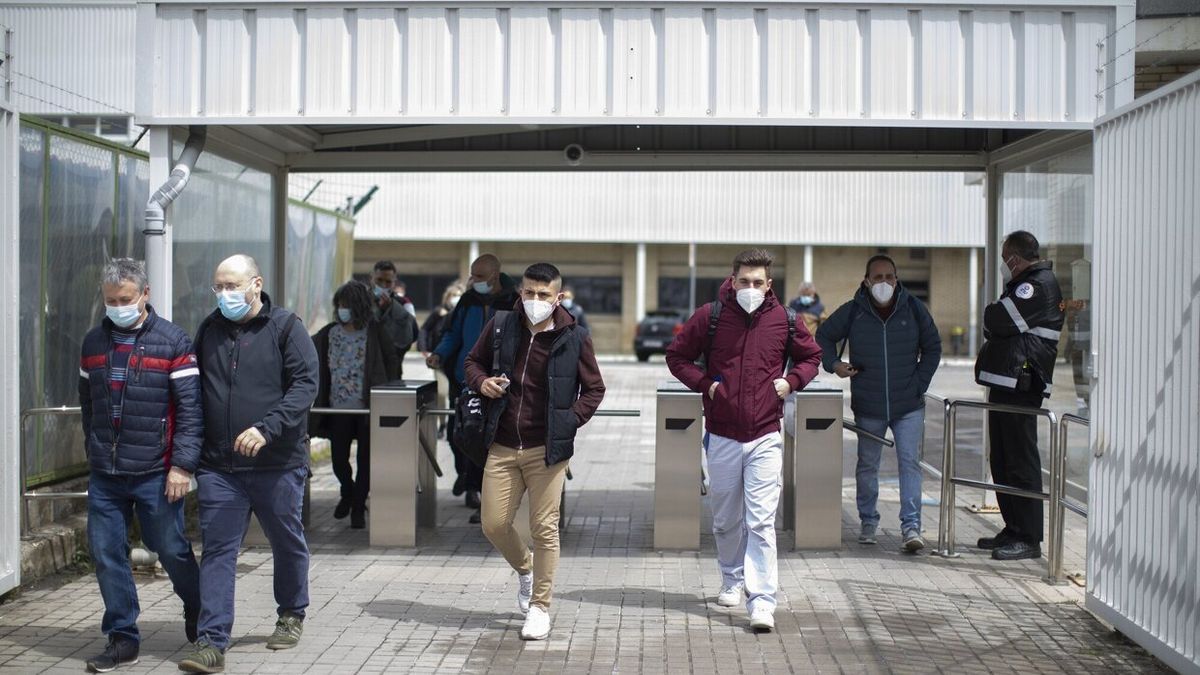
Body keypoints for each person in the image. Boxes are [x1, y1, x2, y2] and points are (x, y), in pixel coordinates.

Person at [665, 249, 822, 632]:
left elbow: (811, 357)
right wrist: (707, 385)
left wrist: (791, 381)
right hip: (721, 434)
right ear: (732, 281)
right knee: (724, 520)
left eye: (758, 283)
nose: (750, 288)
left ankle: (763, 601)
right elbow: (677, 356)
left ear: (769, 285)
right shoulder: (711, 316)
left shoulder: (785, 320)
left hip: (766, 434)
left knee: (761, 521)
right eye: (744, 282)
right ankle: (731, 577)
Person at [179, 255, 319, 673]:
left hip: (277, 462)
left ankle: (291, 613)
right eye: (218, 287)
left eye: (232, 286)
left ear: (255, 284)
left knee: (286, 540)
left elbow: (305, 386)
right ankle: (211, 641)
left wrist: (267, 428)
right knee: (219, 550)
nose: (224, 295)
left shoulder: (287, 328)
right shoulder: (209, 329)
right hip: (220, 466)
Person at [464, 263, 606, 641]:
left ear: (558, 297)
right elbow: (471, 363)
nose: (535, 301)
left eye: (544, 295)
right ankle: (525, 569)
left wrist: (568, 421)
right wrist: (483, 383)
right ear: (520, 293)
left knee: (545, 529)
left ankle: (540, 606)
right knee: (493, 524)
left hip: (547, 449)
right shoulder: (501, 326)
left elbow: (594, 389)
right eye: (529, 293)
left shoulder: (575, 337)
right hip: (503, 443)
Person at [78, 258, 203, 673]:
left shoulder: (173, 342)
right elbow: (88, 404)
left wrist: (182, 467)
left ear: (145, 294)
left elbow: (189, 410)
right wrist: (92, 447)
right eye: (110, 300)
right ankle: (122, 636)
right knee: (106, 552)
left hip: (156, 470)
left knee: (169, 547)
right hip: (106, 473)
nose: (117, 306)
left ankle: (199, 610)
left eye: (126, 299)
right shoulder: (93, 343)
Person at [815, 255, 942, 551]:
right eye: (878, 277)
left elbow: (933, 347)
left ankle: (911, 528)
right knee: (867, 464)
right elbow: (823, 336)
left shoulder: (913, 309)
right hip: (869, 404)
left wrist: (919, 384)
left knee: (909, 464)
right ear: (866, 281)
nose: (884, 282)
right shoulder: (854, 311)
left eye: (889, 277)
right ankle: (868, 522)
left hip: (908, 405)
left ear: (896, 280)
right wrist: (834, 364)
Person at [974, 230, 1064, 561]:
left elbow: (997, 318)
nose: (1003, 266)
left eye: (1003, 259)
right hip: (1007, 383)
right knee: (1002, 458)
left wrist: (993, 314)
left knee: (1020, 461)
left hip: (1022, 385)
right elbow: (997, 325)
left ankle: (1029, 537)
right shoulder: (1023, 285)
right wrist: (996, 321)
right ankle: (1013, 528)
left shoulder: (1036, 285)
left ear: (1013, 257)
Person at [427, 254, 520, 522]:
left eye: (479, 276)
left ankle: (483, 497)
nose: (473, 281)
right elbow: (453, 334)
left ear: (495, 275)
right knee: (462, 436)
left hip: (499, 383)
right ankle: (467, 478)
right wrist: (440, 354)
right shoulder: (467, 301)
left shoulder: (512, 302)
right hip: (466, 379)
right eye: (472, 275)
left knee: (491, 443)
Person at [310, 281, 399, 529]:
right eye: (339, 305)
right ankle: (347, 492)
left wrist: (388, 395)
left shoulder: (376, 331)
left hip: (369, 408)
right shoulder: (329, 333)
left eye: (346, 305)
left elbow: (391, 362)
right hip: (337, 408)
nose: (342, 310)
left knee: (366, 460)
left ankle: (358, 507)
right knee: (338, 459)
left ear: (359, 307)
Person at [419, 282, 465, 438]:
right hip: (441, 361)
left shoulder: (465, 312)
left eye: (459, 295)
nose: (455, 299)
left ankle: (456, 424)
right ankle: (443, 424)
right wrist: (425, 348)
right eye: (453, 295)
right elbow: (425, 329)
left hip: (459, 363)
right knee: (442, 393)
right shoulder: (439, 312)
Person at [371, 261, 418, 377]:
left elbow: (410, 336)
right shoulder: (362, 301)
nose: (383, 285)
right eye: (379, 280)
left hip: (391, 369)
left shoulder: (403, 304)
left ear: (394, 283)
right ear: (371, 278)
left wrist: (390, 309)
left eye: (388, 282)